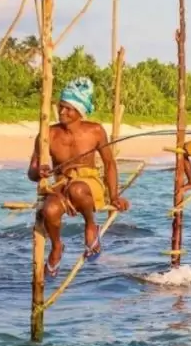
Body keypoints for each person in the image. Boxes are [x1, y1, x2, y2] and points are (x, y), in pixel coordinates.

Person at [27, 77, 131, 276]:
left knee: (77, 189)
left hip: (88, 183)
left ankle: (91, 225)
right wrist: (38, 171)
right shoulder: (48, 134)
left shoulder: (95, 131)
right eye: (61, 106)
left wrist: (115, 196)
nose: (62, 112)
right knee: (49, 210)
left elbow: (109, 164)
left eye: (68, 108)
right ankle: (57, 246)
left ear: (80, 111)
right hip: (60, 184)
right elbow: (31, 171)